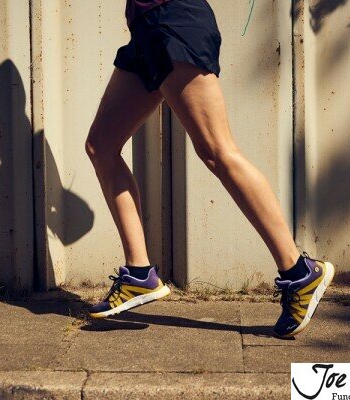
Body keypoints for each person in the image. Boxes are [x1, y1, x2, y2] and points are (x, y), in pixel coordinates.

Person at [83, 0, 335, 338]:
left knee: (217, 151)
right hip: (146, 29)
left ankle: (299, 272)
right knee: (101, 146)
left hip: (173, 20)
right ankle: (139, 275)